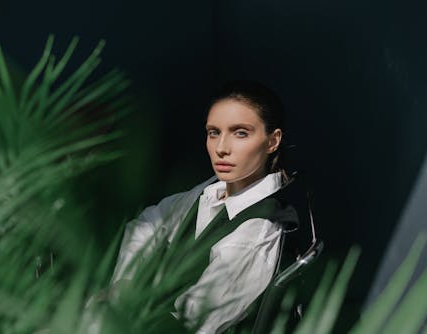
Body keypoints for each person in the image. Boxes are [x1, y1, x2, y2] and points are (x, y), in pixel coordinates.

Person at [110, 81, 298, 333]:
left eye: (240, 133)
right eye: (214, 133)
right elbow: (149, 221)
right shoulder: (209, 191)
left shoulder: (255, 231)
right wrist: (125, 282)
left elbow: (193, 321)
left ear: (272, 141)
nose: (221, 148)